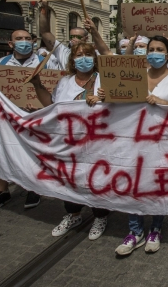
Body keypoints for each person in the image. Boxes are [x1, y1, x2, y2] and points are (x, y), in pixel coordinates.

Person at [115, 36, 168, 255]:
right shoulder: (133, 77)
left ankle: (156, 228)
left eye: (159, 50)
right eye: (151, 49)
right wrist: (105, 96)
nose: (154, 53)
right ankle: (135, 231)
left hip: (164, 142)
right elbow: (119, 103)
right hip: (134, 140)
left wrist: (164, 103)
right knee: (134, 185)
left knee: (158, 185)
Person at [28, 41, 109, 240]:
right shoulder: (65, 82)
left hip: (96, 142)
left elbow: (120, 106)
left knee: (95, 180)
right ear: (72, 60)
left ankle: (100, 216)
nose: (83, 58)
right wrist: (37, 84)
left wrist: (105, 98)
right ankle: (73, 214)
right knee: (70, 180)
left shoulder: (104, 80)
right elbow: (51, 105)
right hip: (69, 143)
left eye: (88, 54)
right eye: (79, 55)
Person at [0, 29, 43, 213]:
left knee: (33, 151)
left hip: (35, 115)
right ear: (10, 44)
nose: (24, 42)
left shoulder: (44, 63)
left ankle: (33, 188)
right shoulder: (1, 64)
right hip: (8, 118)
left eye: (27, 38)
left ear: (34, 41)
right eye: (19, 39)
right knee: (1, 148)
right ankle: (2, 190)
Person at [38, 1, 111, 69]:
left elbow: (107, 54)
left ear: (86, 38)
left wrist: (94, 31)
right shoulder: (63, 52)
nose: (74, 39)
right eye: (71, 36)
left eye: (78, 37)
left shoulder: (94, 54)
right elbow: (45, 33)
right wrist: (44, 8)